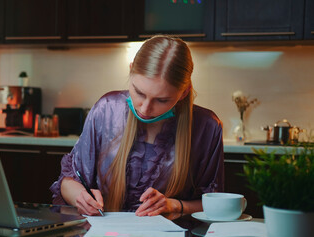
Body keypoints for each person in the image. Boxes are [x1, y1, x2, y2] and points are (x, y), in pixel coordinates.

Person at [50, 35, 224, 217]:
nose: (145, 108)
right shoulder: (106, 109)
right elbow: (68, 182)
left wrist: (176, 206)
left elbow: (216, 204)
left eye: (162, 100)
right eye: (139, 92)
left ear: (183, 92)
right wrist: (80, 197)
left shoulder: (207, 127)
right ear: (131, 70)